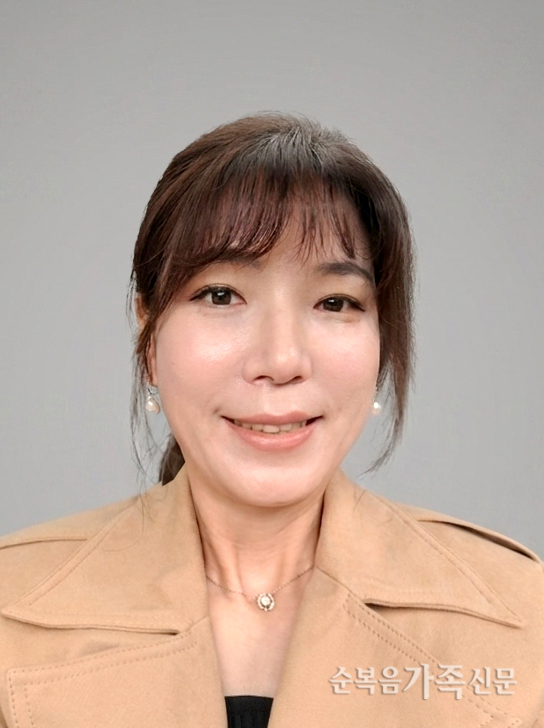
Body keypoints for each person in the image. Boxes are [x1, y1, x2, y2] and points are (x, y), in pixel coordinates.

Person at [0, 114, 543, 728]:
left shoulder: (523, 623)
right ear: (148, 338)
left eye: (335, 302)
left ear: (382, 343)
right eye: (221, 295)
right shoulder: (10, 616)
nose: (282, 361)